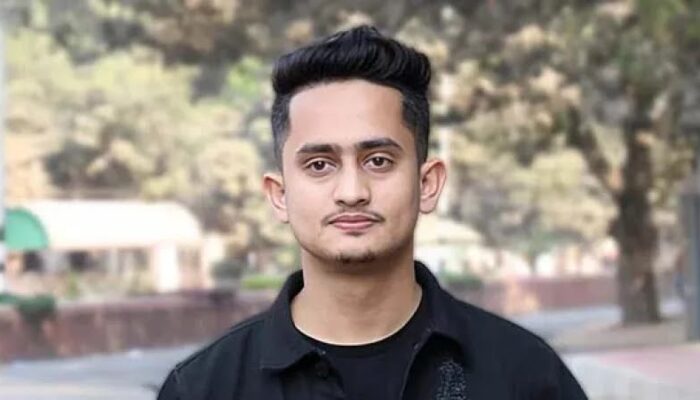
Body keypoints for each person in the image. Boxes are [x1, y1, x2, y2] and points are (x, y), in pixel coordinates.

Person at [157, 25, 588, 400]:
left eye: (378, 161)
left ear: (427, 183)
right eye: (319, 165)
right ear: (279, 194)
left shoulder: (526, 376)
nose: (351, 192)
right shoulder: (203, 389)